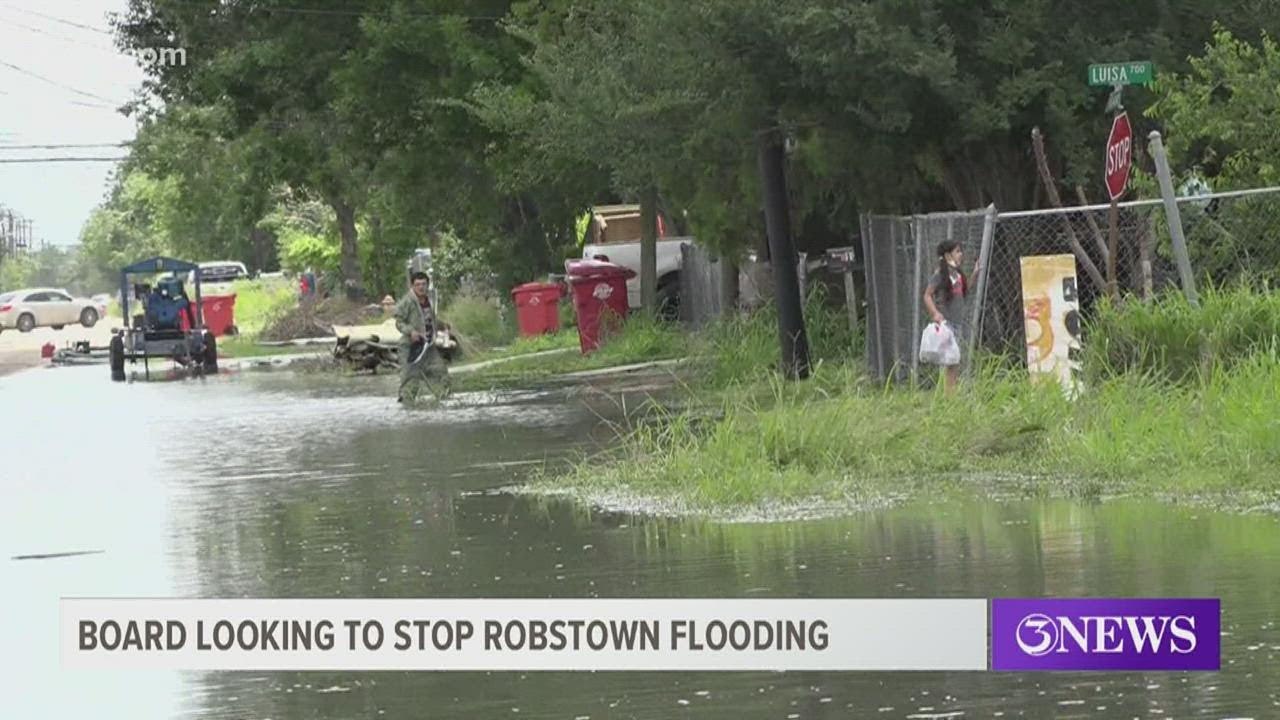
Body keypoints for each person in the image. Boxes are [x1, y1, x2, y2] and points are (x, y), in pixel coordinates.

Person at [923, 241, 981, 395]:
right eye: (957, 251)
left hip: (957, 323)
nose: (960, 254)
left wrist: (974, 274)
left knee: (953, 361)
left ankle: (950, 394)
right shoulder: (939, 274)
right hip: (947, 324)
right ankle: (950, 396)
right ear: (948, 255)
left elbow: (965, 290)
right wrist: (935, 313)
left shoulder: (957, 274)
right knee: (951, 361)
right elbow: (927, 295)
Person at [394, 272, 450, 403]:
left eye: (424, 284)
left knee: (441, 374)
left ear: (428, 285)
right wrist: (411, 331)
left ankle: (441, 405)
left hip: (428, 346)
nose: (421, 287)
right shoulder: (407, 301)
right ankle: (407, 410)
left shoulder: (429, 300)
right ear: (413, 286)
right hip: (410, 347)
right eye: (417, 284)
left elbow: (430, 319)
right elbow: (398, 322)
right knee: (410, 381)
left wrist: (442, 325)